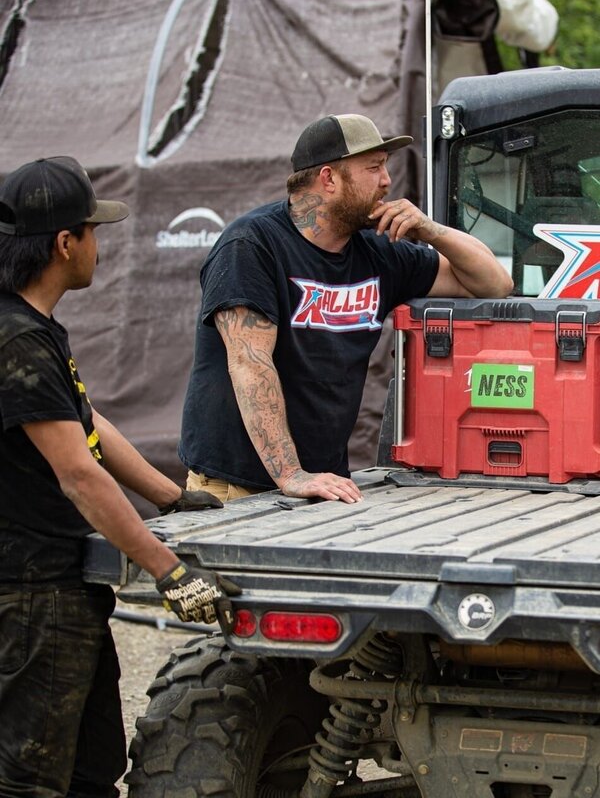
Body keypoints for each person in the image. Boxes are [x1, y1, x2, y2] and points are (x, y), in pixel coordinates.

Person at [0, 156, 240, 797]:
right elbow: (78, 474)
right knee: (32, 780)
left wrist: (171, 495)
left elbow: (86, 421)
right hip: (31, 596)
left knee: (91, 767)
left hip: (53, 590)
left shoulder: (31, 326)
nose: (97, 246)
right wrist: (169, 570)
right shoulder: (17, 341)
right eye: (93, 231)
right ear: (64, 243)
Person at [179, 113, 513, 505]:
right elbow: (250, 364)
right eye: (374, 167)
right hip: (238, 487)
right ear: (329, 179)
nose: (387, 181)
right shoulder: (251, 246)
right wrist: (290, 473)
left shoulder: (379, 253)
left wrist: (430, 230)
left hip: (322, 484)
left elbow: (494, 283)